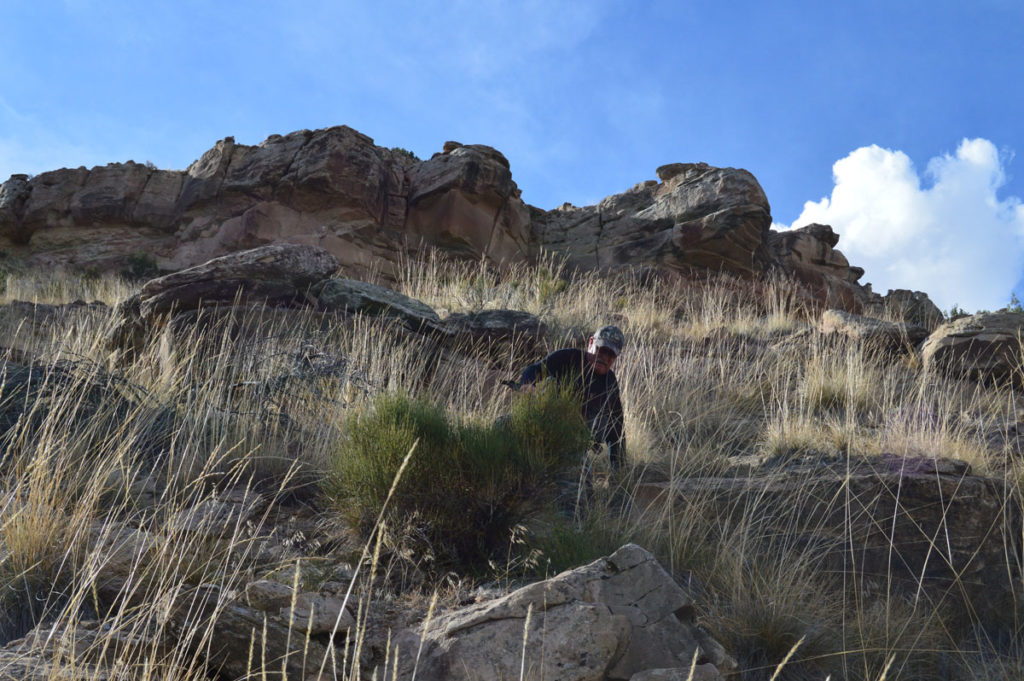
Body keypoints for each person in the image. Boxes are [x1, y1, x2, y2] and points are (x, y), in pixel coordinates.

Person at [514, 325, 626, 472]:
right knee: (502, 425)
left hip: (571, 446)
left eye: (611, 355)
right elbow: (534, 370)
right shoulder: (568, 358)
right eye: (602, 350)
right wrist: (527, 385)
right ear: (591, 343)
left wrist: (619, 471)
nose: (605, 358)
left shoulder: (610, 383)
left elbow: (616, 430)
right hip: (539, 429)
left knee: (580, 484)